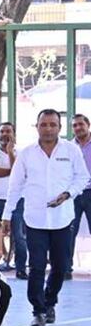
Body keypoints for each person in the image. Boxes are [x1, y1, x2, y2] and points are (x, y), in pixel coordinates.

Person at [3, 109, 90, 326]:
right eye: (44, 125)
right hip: (35, 219)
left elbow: (83, 177)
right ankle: (38, 310)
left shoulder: (71, 151)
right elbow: (15, 186)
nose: (48, 128)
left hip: (63, 219)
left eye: (52, 124)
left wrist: (68, 194)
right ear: (37, 127)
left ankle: (50, 301)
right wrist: (6, 215)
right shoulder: (26, 154)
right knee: (37, 266)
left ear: (59, 128)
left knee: (61, 267)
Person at [0, 122, 20, 273]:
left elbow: (20, 174)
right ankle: (2, 256)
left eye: (8, 131)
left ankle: (15, 260)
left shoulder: (20, 152)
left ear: (14, 134)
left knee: (18, 233)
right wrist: (12, 171)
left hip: (16, 199)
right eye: (2, 131)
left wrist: (10, 153)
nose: (5, 134)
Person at [67, 113, 91, 277]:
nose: (77, 128)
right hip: (74, 194)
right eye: (74, 125)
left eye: (80, 124)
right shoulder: (69, 147)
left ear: (88, 125)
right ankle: (66, 268)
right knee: (69, 232)